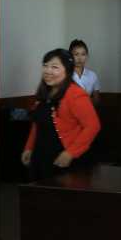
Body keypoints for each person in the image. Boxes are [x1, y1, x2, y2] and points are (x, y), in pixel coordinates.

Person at [21, 49, 101, 181]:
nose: (48, 71)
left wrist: (70, 153)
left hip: (64, 160)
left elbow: (93, 126)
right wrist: (29, 147)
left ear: (67, 70)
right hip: (41, 157)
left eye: (54, 67)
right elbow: (38, 124)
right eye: (45, 65)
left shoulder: (75, 94)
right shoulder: (44, 92)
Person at [69, 39, 100, 105]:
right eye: (76, 54)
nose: (80, 58)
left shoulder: (93, 75)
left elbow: (96, 100)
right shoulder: (65, 75)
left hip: (87, 109)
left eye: (83, 54)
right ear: (70, 56)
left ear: (87, 56)